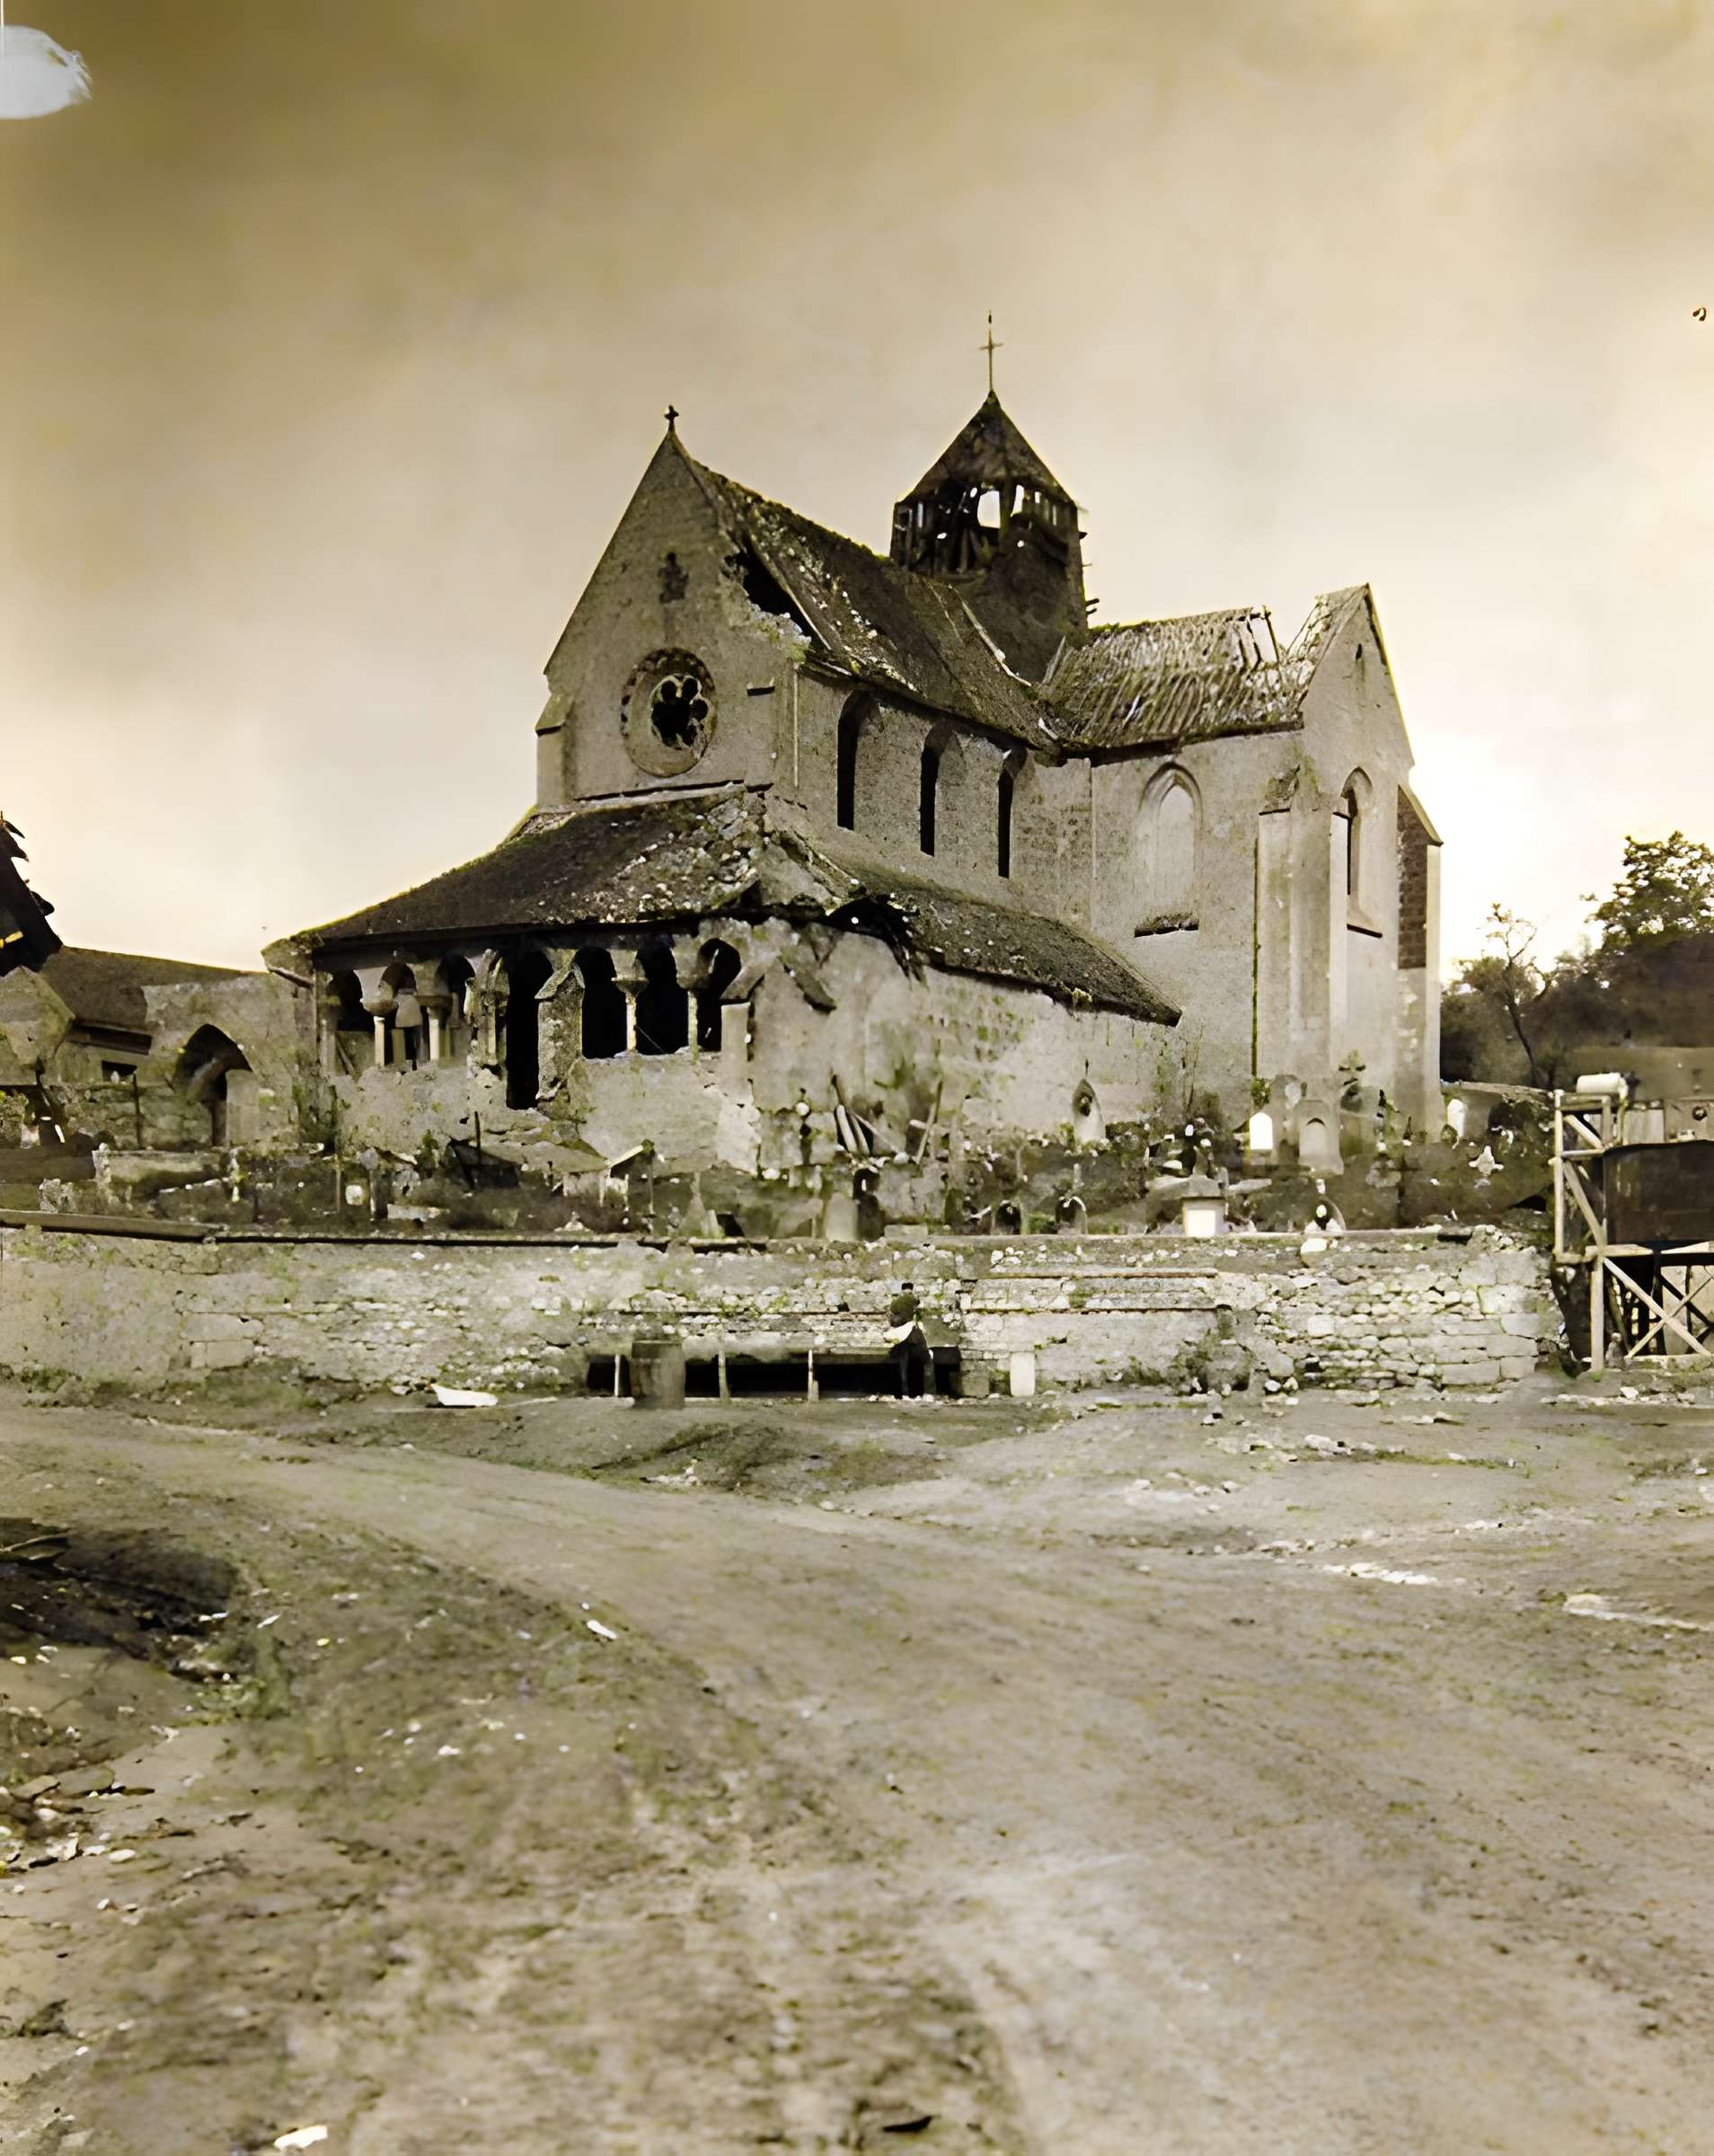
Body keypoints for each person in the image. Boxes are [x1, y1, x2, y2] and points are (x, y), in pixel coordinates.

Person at [886, 1280, 932, 1399]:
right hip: (914, 1336)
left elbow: (892, 1319)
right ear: (911, 1289)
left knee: (900, 1364)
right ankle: (916, 1392)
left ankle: (900, 1393)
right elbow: (922, 1315)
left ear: (902, 1290)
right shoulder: (916, 1301)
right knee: (916, 1365)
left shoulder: (895, 1303)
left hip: (901, 1337)